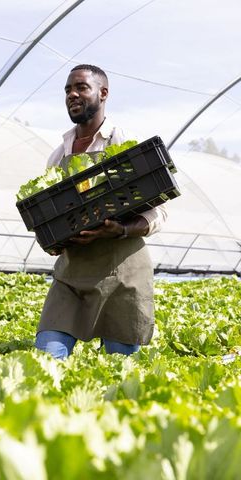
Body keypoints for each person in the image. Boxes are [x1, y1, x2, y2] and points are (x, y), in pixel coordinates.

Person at [35, 64, 167, 359]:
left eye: (81, 87)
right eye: (68, 89)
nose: (72, 94)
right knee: (47, 358)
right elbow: (53, 217)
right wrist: (55, 241)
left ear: (103, 93)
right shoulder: (59, 155)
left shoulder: (122, 143)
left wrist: (120, 230)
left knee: (118, 373)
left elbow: (159, 213)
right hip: (72, 274)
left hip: (120, 273)